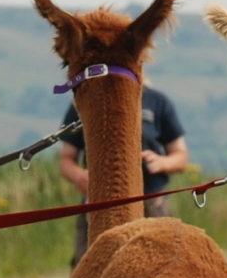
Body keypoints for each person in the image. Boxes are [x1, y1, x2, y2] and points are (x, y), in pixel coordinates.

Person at [58, 84, 189, 265]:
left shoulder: (158, 102)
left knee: (161, 264)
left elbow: (181, 156)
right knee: (88, 265)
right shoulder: (82, 102)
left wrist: (161, 162)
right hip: (99, 203)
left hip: (152, 202)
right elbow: (66, 159)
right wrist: (79, 176)